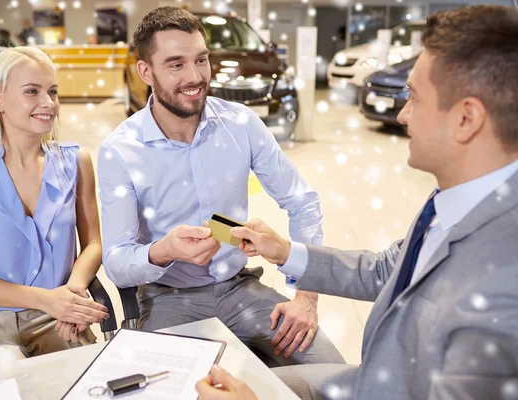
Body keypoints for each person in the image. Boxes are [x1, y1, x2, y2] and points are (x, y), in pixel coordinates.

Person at [196, 5, 518, 400]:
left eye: (414, 98)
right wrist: (285, 252)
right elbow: (387, 269)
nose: (402, 115)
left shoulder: (497, 298)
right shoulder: (458, 199)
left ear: (467, 119)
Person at [98, 7, 343, 366]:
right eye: (176, 64)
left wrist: (306, 297)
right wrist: (163, 251)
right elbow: (117, 261)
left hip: (239, 287)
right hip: (168, 298)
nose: (195, 77)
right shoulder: (120, 151)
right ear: (146, 72)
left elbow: (302, 202)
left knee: (332, 374)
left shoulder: (240, 123)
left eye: (201, 60)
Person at [0, 46, 109, 358]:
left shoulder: (76, 162)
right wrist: (46, 299)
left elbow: (93, 245)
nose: (49, 103)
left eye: (53, 91)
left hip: (56, 319)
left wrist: (71, 295)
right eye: (32, 91)